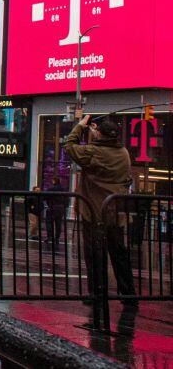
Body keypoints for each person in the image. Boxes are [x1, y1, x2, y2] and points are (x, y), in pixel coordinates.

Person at [65, 115, 136, 301]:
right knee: (120, 254)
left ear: (100, 134)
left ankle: (97, 292)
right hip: (116, 212)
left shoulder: (93, 152)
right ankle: (128, 293)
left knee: (95, 254)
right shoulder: (124, 153)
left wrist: (80, 126)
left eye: (96, 131)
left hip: (94, 212)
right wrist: (95, 130)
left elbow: (69, 145)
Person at [45, 176, 68, 250]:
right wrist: (64, 206)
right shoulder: (63, 189)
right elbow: (66, 199)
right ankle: (57, 237)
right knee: (58, 223)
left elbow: (45, 197)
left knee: (49, 222)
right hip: (60, 208)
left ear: (54, 181)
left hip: (52, 207)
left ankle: (50, 236)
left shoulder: (51, 189)